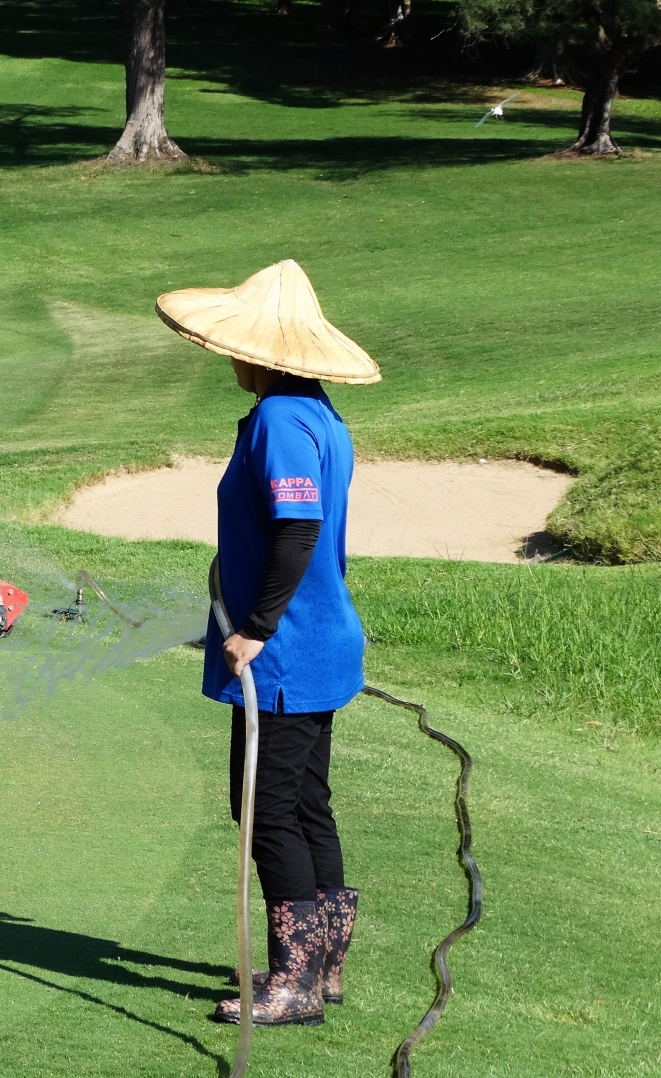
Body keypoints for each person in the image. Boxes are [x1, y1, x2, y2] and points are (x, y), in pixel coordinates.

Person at [155, 259, 381, 1028]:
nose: (232, 358)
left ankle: (292, 985)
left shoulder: (282, 419)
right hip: (323, 641)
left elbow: (299, 526)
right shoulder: (317, 413)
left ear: (262, 351)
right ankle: (325, 963)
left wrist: (255, 628)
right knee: (306, 803)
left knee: (265, 812)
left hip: (287, 649)